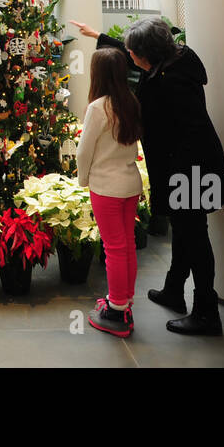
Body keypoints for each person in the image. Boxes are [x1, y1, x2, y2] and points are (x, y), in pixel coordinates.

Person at [69, 17, 224, 336]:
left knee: (195, 237)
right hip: (197, 161)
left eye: (133, 51)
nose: (129, 55)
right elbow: (134, 59)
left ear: (148, 55)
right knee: (184, 231)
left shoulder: (163, 86)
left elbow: (139, 85)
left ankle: (206, 312)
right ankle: (173, 289)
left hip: (190, 169)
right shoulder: (182, 57)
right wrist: (99, 37)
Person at [77, 48, 144, 338]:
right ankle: (125, 299)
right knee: (127, 244)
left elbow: (84, 151)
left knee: (113, 248)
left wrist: (82, 180)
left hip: (106, 187)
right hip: (130, 184)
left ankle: (116, 308)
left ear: (98, 74)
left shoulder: (97, 108)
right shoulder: (130, 101)